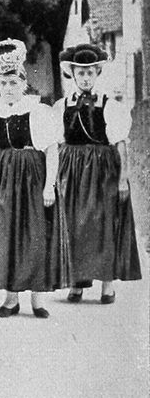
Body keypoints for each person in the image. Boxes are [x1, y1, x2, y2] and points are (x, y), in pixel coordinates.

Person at [0, 39, 69, 318]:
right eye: (3, 83)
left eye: (13, 83)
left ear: (23, 83)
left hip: (32, 178)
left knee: (35, 234)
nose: (8, 88)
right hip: (1, 180)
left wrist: (49, 186)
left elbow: (51, 151)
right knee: (6, 235)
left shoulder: (38, 111)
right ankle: (10, 299)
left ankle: (37, 300)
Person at [56, 44, 141, 304]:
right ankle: (77, 283)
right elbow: (57, 143)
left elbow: (120, 144)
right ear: (72, 74)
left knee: (104, 224)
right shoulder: (63, 105)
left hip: (102, 170)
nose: (85, 78)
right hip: (72, 169)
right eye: (80, 73)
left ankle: (107, 284)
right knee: (74, 224)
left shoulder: (109, 105)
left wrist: (123, 178)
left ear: (97, 74)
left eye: (90, 73)